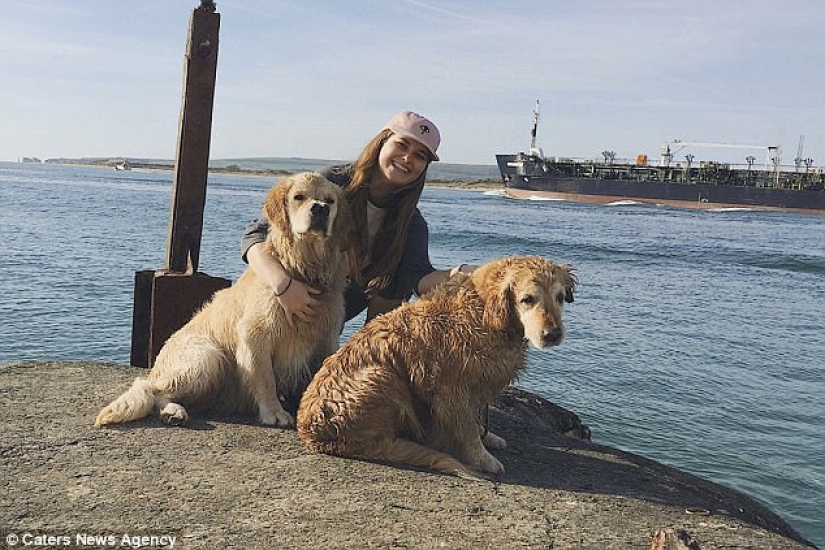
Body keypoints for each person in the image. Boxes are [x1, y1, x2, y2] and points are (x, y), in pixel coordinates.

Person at [240, 111, 474, 328]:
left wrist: (465, 273)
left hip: (328, 325)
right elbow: (255, 235)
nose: (407, 158)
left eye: (420, 156)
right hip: (276, 313)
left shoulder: (411, 224)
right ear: (382, 142)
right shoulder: (332, 183)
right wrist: (284, 286)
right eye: (401, 144)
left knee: (394, 282)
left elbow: (418, 277)